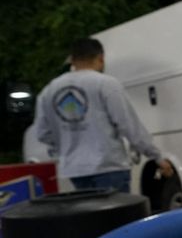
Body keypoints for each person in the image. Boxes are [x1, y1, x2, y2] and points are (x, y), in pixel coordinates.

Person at [33, 38, 173, 193]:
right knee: (117, 216)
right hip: (109, 166)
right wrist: (157, 156)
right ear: (100, 58)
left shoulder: (49, 91)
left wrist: (67, 144)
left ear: (72, 60)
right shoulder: (106, 84)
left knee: (91, 216)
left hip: (75, 171)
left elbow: (42, 133)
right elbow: (128, 125)